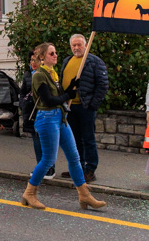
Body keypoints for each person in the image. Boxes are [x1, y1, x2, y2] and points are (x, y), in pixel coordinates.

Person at [21, 42, 106, 211]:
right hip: (47, 119)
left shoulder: (52, 74)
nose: (55, 55)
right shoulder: (39, 75)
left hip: (59, 118)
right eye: (52, 53)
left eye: (56, 53)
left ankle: (84, 195)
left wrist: (70, 87)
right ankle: (29, 193)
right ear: (43, 57)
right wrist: (67, 94)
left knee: (74, 157)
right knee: (48, 160)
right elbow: (48, 100)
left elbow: (58, 95)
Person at [61, 34, 108, 183]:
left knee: (88, 139)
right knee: (74, 140)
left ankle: (90, 170)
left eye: (79, 45)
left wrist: (92, 105)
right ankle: (77, 167)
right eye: (74, 45)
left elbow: (103, 85)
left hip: (85, 107)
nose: (76, 48)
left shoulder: (94, 62)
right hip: (70, 107)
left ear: (86, 45)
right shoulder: (67, 61)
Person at [19, 51, 55, 178]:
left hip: (43, 112)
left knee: (46, 141)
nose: (33, 63)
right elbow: (22, 91)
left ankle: (50, 168)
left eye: (36, 60)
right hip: (30, 112)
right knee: (36, 141)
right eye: (31, 60)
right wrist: (23, 103)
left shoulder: (45, 74)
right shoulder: (28, 74)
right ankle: (40, 167)